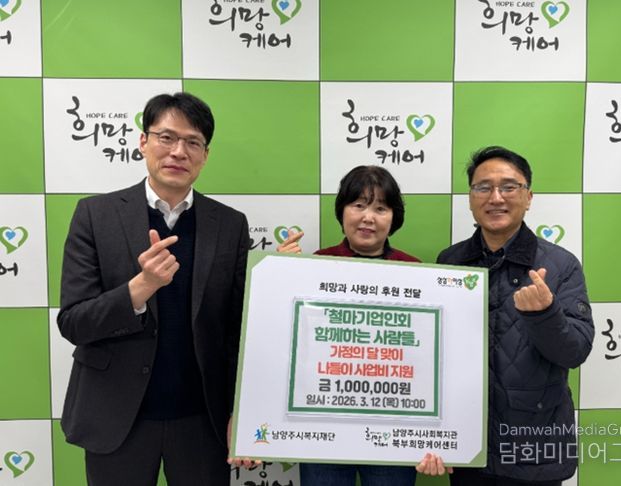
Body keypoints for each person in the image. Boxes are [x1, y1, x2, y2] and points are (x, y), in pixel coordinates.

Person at [57, 92, 250, 486]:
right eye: (166, 137)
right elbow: (74, 322)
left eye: (193, 142)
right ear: (143, 142)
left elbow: (237, 332)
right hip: (116, 416)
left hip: (203, 420)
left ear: (205, 155)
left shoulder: (230, 225)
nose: (179, 151)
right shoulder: (95, 215)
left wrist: (243, 410)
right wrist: (140, 288)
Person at [278, 165, 448, 485]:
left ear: (393, 217)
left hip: (392, 432)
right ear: (342, 211)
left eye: (380, 208)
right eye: (358, 205)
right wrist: (282, 273)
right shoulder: (314, 265)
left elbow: (428, 360)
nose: (368, 217)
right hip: (323, 430)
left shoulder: (416, 272)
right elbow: (285, 342)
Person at [435, 146, 594, 485]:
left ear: (528, 196)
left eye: (509, 187)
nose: (496, 197)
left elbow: (575, 352)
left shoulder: (560, 265)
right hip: (468, 447)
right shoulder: (450, 262)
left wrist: (545, 314)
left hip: (534, 449)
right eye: (483, 187)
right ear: (470, 198)